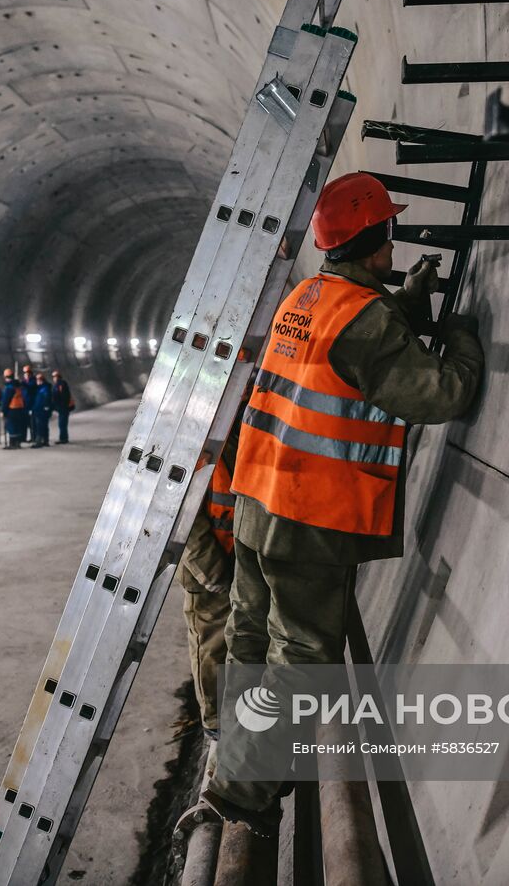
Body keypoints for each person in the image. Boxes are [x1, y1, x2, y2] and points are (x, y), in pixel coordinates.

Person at [190, 171, 485, 837]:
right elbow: (440, 393)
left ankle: (234, 763)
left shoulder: (310, 294)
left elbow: (346, 350)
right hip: (309, 517)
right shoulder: (362, 317)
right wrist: (463, 334)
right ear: (377, 237)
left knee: (249, 634)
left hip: (257, 501)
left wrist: (404, 304)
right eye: (390, 231)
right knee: (302, 653)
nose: (395, 241)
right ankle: (245, 792)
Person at [176, 424, 239, 745]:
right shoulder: (198, 436)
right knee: (212, 644)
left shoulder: (237, 425)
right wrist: (212, 572)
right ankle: (216, 722)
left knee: (236, 643)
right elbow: (181, 513)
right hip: (212, 567)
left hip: (240, 560)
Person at [1, 368, 30, 449]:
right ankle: (18, 443)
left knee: (11, 426)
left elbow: (6, 400)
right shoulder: (18, 386)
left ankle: (12, 444)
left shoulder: (9, 387)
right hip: (20, 408)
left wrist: (3, 411)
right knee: (17, 426)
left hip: (12, 409)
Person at [30, 369, 54, 448]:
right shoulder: (42, 388)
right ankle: (45, 441)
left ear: (41, 380)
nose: (37, 381)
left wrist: (46, 407)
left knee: (39, 426)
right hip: (40, 410)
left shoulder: (44, 389)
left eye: (38, 380)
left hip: (41, 411)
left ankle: (38, 442)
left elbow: (46, 399)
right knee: (44, 426)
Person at [51, 370, 76, 444]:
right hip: (62, 407)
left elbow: (62, 396)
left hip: (63, 407)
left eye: (54, 377)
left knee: (62, 423)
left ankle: (63, 439)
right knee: (62, 423)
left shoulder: (60, 384)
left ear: (57, 377)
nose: (54, 378)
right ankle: (63, 438)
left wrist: (58, 404)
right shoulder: (59, 384)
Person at [20, 364, 35, 441]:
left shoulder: (33, 381)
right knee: (24, 423)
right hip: (24, 405)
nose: (27, 375)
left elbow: (30, 387)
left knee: (32, 423)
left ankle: (33, 437)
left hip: (31, 405)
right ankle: (23, 438)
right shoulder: (23, 382)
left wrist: (23, 384)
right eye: (25, 373)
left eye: (28, 373)